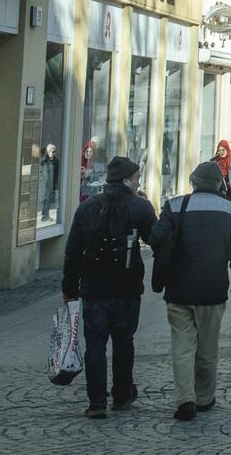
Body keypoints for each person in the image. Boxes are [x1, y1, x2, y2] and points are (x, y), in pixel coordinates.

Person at [150, 161, 231, 422]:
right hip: (212, 292)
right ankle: (204, 398)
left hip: (178, 291)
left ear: (193, 183)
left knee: (182, 348)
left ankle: (185, 400)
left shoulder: (174, 206)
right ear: (219, 185)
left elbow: (155, 237)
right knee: (207, 348)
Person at [59, 155, 156, 417]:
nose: (138, 182)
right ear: (126, 179)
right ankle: (122, 394)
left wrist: (69, 288)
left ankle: (97, 402)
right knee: (124, 342)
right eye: (136, 178)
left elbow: (73, 252)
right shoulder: (140, 207)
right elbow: (158, 241)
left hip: (93, 289)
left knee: (95, 345)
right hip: (127, 289)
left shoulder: (88, 207)